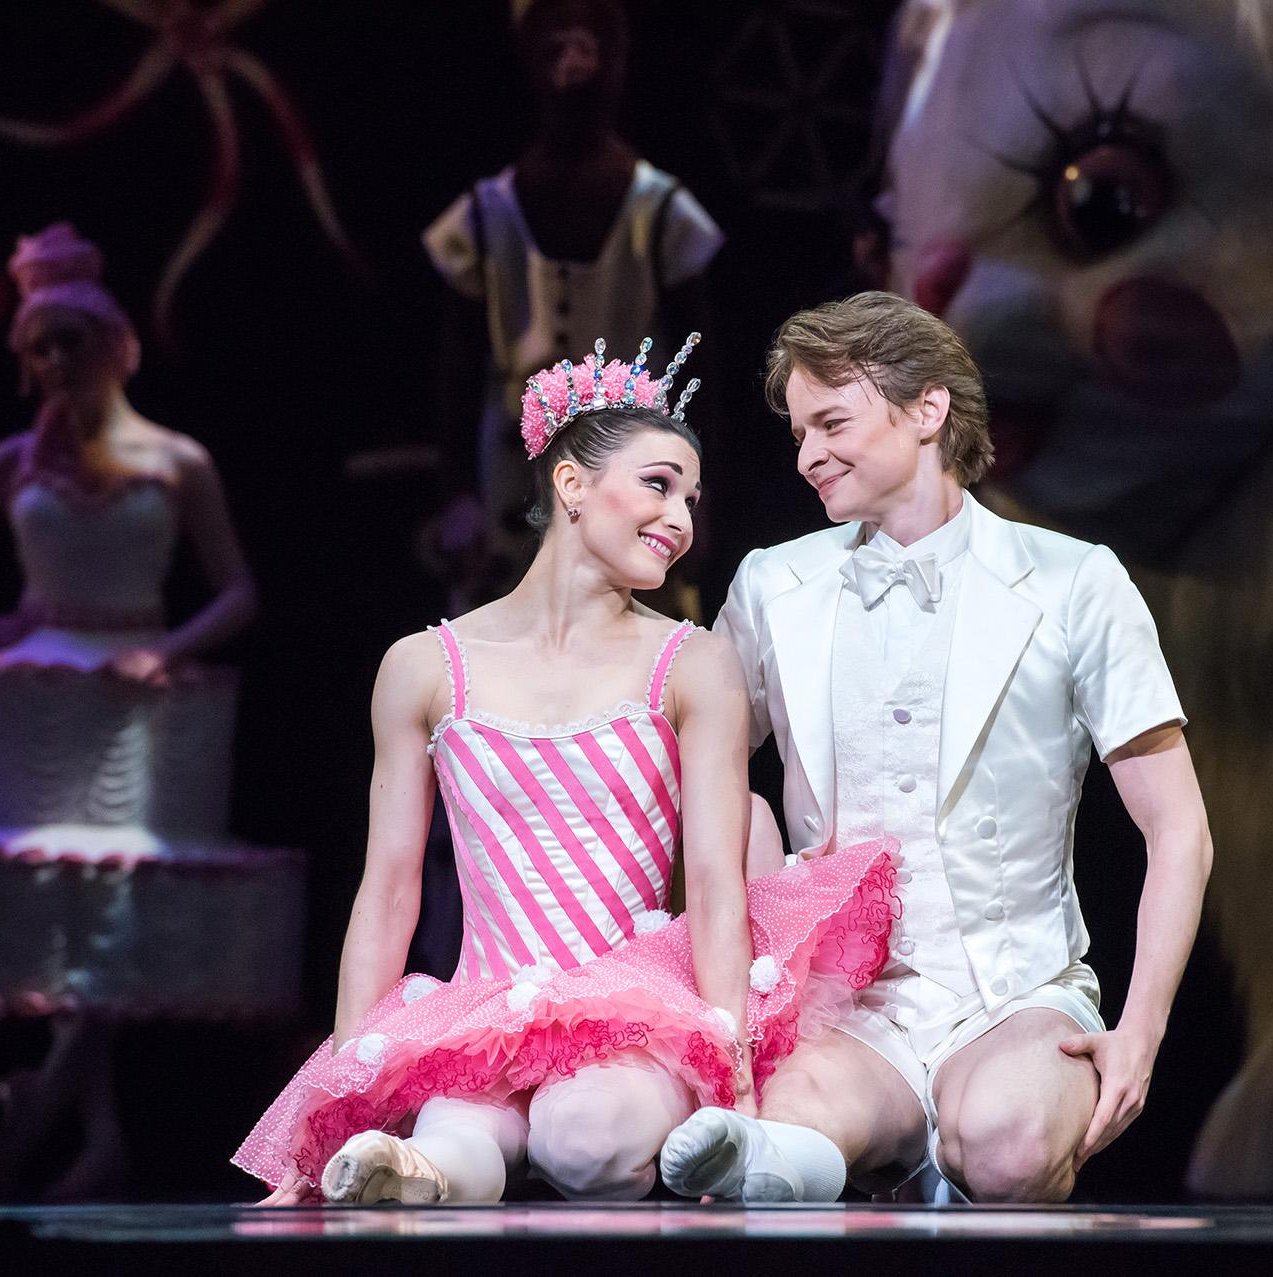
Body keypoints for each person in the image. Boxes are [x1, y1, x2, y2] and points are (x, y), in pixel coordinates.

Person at [236, 337, 897, 1205]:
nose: (682, 518)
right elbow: (389, 889)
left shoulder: (690, 663)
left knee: (582, 1134)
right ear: (572, 485)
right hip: (485, 1001)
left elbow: (715, 873)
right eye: (660, 484)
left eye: (692, 498)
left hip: (634, 1011)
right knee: (455, 1128)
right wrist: (350, 1091)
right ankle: (419, 1174)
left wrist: (728, 1051)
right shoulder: (424, 666)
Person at [659, 292, 1213, 1203]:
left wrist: (1141, 1031)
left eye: (831, 421)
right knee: (772, 1132)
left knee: (1006, 1140)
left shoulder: (1075, 581)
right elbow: (686, 771)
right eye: (798, 432)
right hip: (846, 1008)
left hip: (1015, 994)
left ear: (928, 408)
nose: (807, 455)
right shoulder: (774, 586)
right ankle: (787, 1165)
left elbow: (1179, 828)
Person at [0, 222, 261, 1200]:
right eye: (37, 347)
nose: (55, 362)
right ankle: (94, 1131)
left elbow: (237, 593)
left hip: (135, 698)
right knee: (62, 914)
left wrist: (164, 650)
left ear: (114, 345)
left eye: (70, 342)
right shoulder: (17, 461)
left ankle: (49, 1106)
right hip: (36, 689)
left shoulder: (178, 459)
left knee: (113, 913)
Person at [424, 0, 722, 604]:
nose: (569, 73)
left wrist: (697, 490)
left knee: (633, 632)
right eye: (553, 52)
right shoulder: (486, 215)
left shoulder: (660, 213)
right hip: (512, 471)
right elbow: (454, 370)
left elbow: (701, 369)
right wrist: (457, 493)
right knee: (506, 638)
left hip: (634, 462)